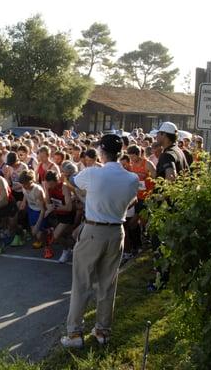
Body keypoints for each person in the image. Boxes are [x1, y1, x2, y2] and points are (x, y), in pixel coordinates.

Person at [61, 134, 139, 349]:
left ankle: (75, 333)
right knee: (107, 284)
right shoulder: (132, 179)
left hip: (94, 230)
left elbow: (73, 180)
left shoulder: (93, 173)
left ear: (102, 152)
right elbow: (133, 199)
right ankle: (103, 330)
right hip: (116, 231)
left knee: (82, 283)